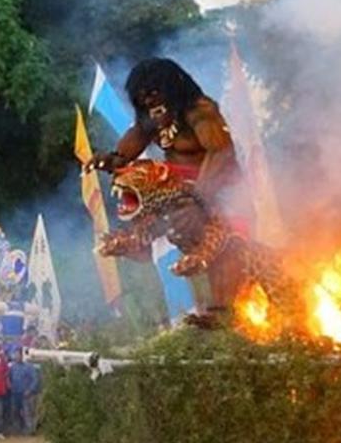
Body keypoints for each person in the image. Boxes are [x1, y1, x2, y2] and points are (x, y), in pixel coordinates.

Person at [85, 57, 250, 312]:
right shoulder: (154, 118)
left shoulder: (200, 111)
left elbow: (221, 154)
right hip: (181, 192)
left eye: (153, 93)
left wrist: (199, 200)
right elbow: (134, 138)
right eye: (142, 97)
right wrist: (113, 159)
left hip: (220, 191)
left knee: (221, 248)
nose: (149, 101)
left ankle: (222, 312)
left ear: (172, 88)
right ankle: (138, 241)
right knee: (149, 213)